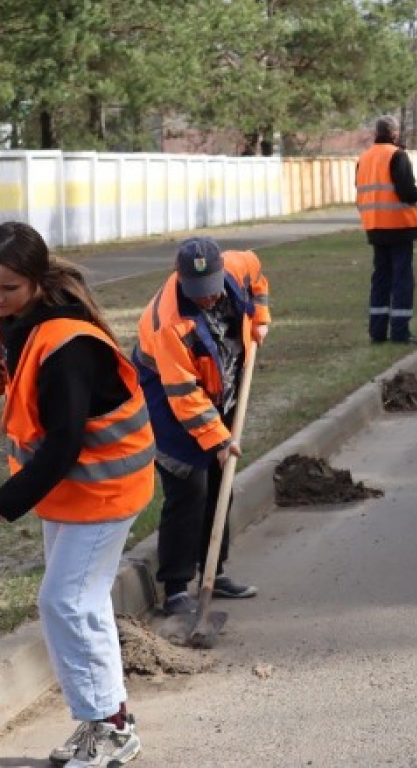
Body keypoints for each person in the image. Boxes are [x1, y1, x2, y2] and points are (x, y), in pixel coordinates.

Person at [0, 221, 154, 768]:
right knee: (79, 604)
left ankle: (110, 729)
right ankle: (109, 718)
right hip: (67, 491)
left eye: (9, 288)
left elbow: (63, 445)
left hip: (105, 487)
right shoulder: (3, 304)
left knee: (65, 602)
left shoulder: (68, 346)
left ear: (38, 282)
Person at [133, 238, 271, 616]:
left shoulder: (238, 265)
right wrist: (218, 440)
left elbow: (257, 275)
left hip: (218, 385)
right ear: (180, 279)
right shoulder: (169, 324)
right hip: (168, 395)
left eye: (211, 291)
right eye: (199, 294)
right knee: (189, 481)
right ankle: (177, 587)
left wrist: (259, 318)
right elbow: (183, 395)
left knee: (219, 479)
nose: (208, 299)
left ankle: (214, 570)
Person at [355, 114, 417, 344]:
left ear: (376, 133)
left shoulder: (364, 158)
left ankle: (377, 331)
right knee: (402, 279)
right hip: (398, 225)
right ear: (394, 134)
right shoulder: (397, 155)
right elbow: (406, 191)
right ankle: (400, 331)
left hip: (375, 225)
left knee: (381, 278)